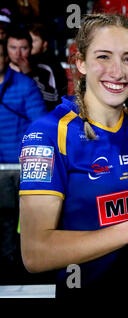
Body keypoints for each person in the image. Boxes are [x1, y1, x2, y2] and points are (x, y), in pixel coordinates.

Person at [18, 13, 128, 300]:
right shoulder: (47, 134)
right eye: (104, 57)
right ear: (81, 62)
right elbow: (35, 253)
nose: (118, 71)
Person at [0, 38, 46, 278]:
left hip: (18, 171)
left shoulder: (25, 86)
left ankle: (20, 270)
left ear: (5, 58)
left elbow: (39, 126)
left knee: (20, 226)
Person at [6, 26, 59, 111]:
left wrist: (29, 74)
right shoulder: (2, 70)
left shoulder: (44, 70)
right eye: (13, 47)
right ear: (6, 49)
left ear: (30, 49)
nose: (18, 53)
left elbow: (53, 100)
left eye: (23, 48)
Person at [28, 22, 68, 99]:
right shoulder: (29, 60)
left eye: (34, 40)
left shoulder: (50, 65)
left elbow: (54, 97)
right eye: (28, 39)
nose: (30, 44)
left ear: (44, 43)